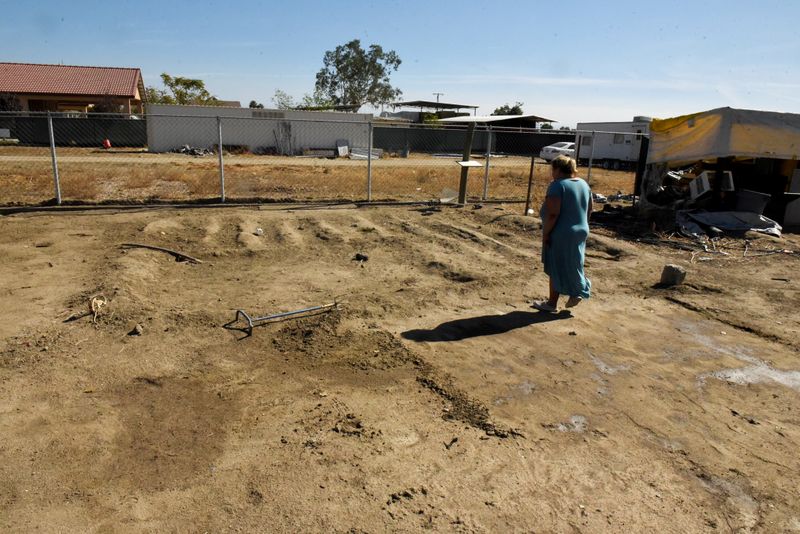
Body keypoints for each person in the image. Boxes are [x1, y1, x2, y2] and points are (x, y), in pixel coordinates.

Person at [532, 155, 592, 313]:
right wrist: (582, 224)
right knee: (575, 262)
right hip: (581, 230)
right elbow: (590, 209)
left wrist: (546, 234)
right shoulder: (583, 184)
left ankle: (556, 301)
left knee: (556, 267)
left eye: (553, 169)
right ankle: (576, 290)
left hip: (561, 232)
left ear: (558, 169)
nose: (552, 173)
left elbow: (553, 214)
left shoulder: (557, 186)